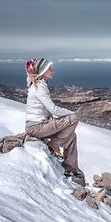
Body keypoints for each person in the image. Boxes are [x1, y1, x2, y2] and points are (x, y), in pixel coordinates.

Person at [24, 58, 85, 186]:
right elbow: (53, 109)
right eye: (50, 69)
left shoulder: (38, 85)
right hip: (36, 127)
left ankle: (71, 168)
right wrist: (71, 114)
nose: (53, 71)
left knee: (72, 136)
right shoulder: (39, 87)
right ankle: (54, 144)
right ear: (42, 71)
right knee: (73, 119)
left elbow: (48, 111)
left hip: (39, 125)